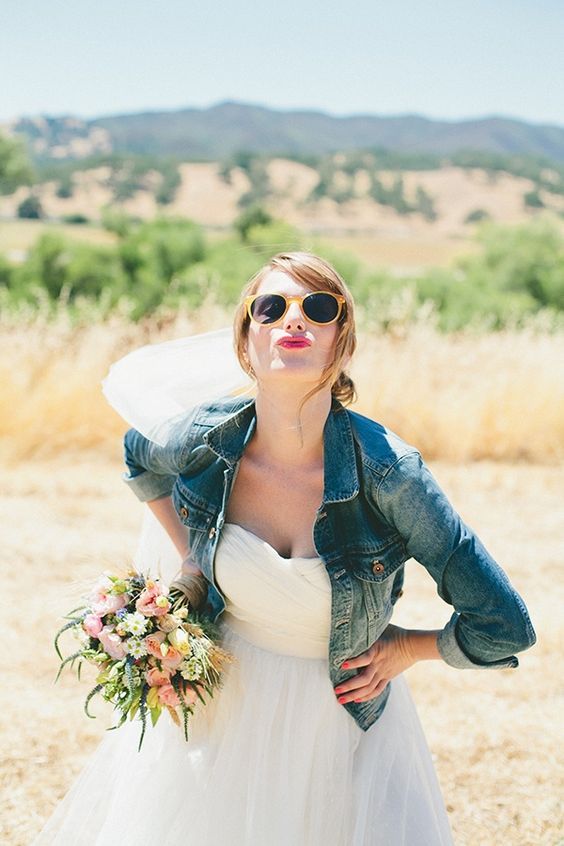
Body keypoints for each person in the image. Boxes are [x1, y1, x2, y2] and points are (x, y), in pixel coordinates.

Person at [32, 251, 536, 845]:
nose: (293, 320)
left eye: (318, 308)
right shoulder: (210, 437)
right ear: (247, 340)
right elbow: (138, 452)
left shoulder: (391, 473)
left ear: (340, 342)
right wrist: (191, 558)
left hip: (341, 729)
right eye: (271, 308)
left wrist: (410, 648)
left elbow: (504, 624)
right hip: (221, 716)